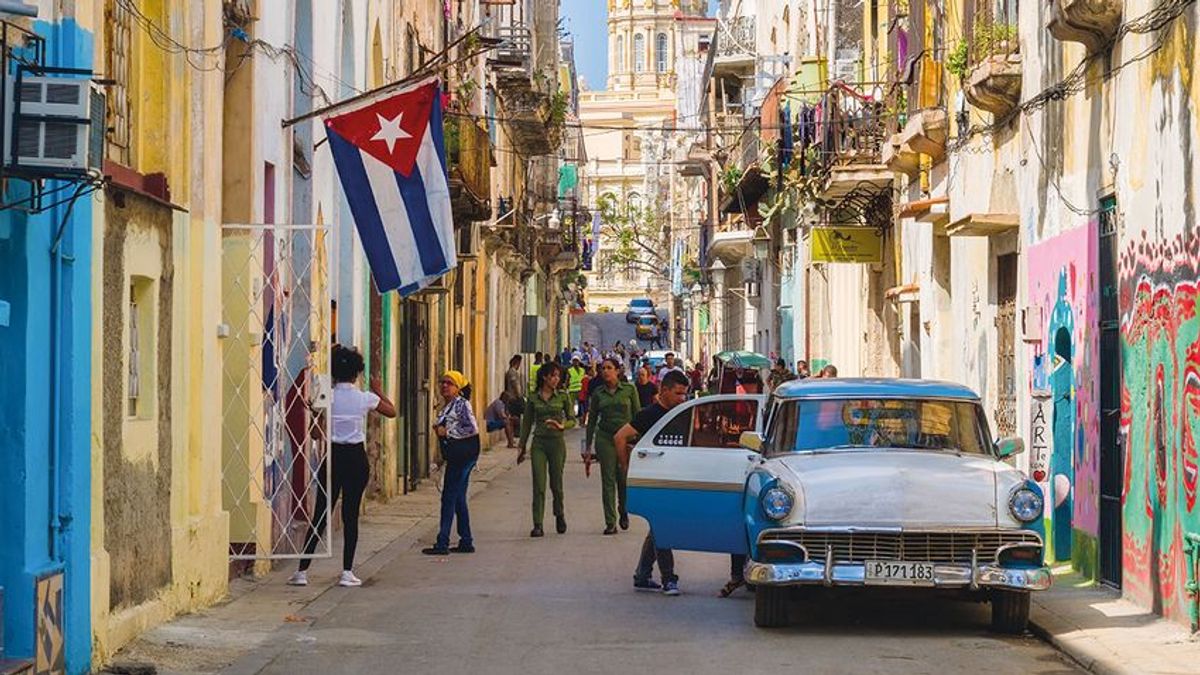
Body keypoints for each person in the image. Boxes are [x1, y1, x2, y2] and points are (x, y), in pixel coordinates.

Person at [290, 345, 396, 588]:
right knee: (351, 515)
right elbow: (391, 411)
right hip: (356, 459)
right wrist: (378, 390)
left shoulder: (327, 397)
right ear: (357, 373)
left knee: (320, 515)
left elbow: (316, 435)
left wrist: (316, 414)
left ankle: (302, 572)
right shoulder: (364, 398)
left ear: (335, 372)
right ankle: (347, 571)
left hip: (334, 457)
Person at [614, 370, 692, 595]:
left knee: (658, 527)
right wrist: (626, 467)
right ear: (664, 390)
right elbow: (620, 437)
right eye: (678, 394)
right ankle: (669, 578)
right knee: (663, 524)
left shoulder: (683, 413)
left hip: (675, 477)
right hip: (655, 479)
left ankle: (642, 574)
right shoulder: (648, 414)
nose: (682, 399)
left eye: (685, 394)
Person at [423, 371, 482, 555]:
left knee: (449, 497)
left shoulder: (461, 405)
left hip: (462, 456)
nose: (445, 386)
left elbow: (471, 428)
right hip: (458, 455)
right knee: (458, 498)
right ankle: (466, 540)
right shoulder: (448, 406)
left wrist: (447, 431)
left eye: (449, 383)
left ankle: (443, 542)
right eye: (443, 382)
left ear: (458, 388)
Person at [518, 361, 576, 537]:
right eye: (553, 376)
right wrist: (521, 446)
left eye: (558, 376)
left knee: (556, 484)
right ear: (545, 377)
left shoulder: (563, 397)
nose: (556, 379)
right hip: (539, 443)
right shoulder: (534, 398)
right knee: (539, 484)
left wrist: (562, 425)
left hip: (557, 443)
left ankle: (559, 513)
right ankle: (538, 523)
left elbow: (573, 420)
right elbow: (527, 423)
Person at [585, 357, 640, 534]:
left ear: (617, 371)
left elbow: (638, 416)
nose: (605, 371)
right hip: (605, 438)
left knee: (622, 479)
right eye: (603, 368)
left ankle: (623, 510)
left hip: (625, 439)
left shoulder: (629, 390)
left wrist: (638, 440)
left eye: (609, 368)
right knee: (607, 480)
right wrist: (588, 447)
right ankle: (610, 522)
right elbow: (592, 420)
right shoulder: (598, 393)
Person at [504, 355, 525, 444]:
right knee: (514, 418)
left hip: (513, 398)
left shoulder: (513, 372)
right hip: (514, 398)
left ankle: (513, 438)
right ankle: (513, 438)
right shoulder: (512, 372)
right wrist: (520, 396)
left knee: (515, 418)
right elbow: (515, 385)